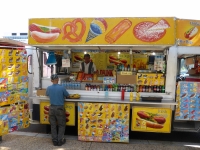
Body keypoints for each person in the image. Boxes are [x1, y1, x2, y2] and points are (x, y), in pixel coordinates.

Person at [46, 74, 69, 146]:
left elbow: (47, 94)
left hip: (51, 108)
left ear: (51, 80)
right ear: (58, 79)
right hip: (59, 108)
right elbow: (67, 95)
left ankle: (54, 140)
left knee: (53, 125)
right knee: (61, 124)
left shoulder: (49, 88)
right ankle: (60, 140)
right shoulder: (62, 87)